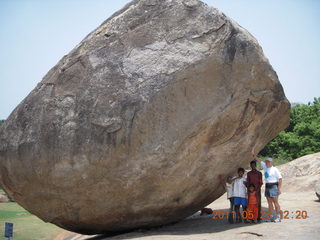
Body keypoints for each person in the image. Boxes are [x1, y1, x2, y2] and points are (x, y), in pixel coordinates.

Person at [252, 150, 283, 222]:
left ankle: (278, 217)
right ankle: (271, 217)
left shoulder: (275, 169)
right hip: (268, 186)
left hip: (274, 185)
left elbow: (280, 179)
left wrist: (279, 189)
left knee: (275, 202)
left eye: (269, 162)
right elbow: (259, 160)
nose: (267, 163)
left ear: (271, 162)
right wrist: (254, 155)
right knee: (269, 202)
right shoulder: (265, 167)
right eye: (266, 162)